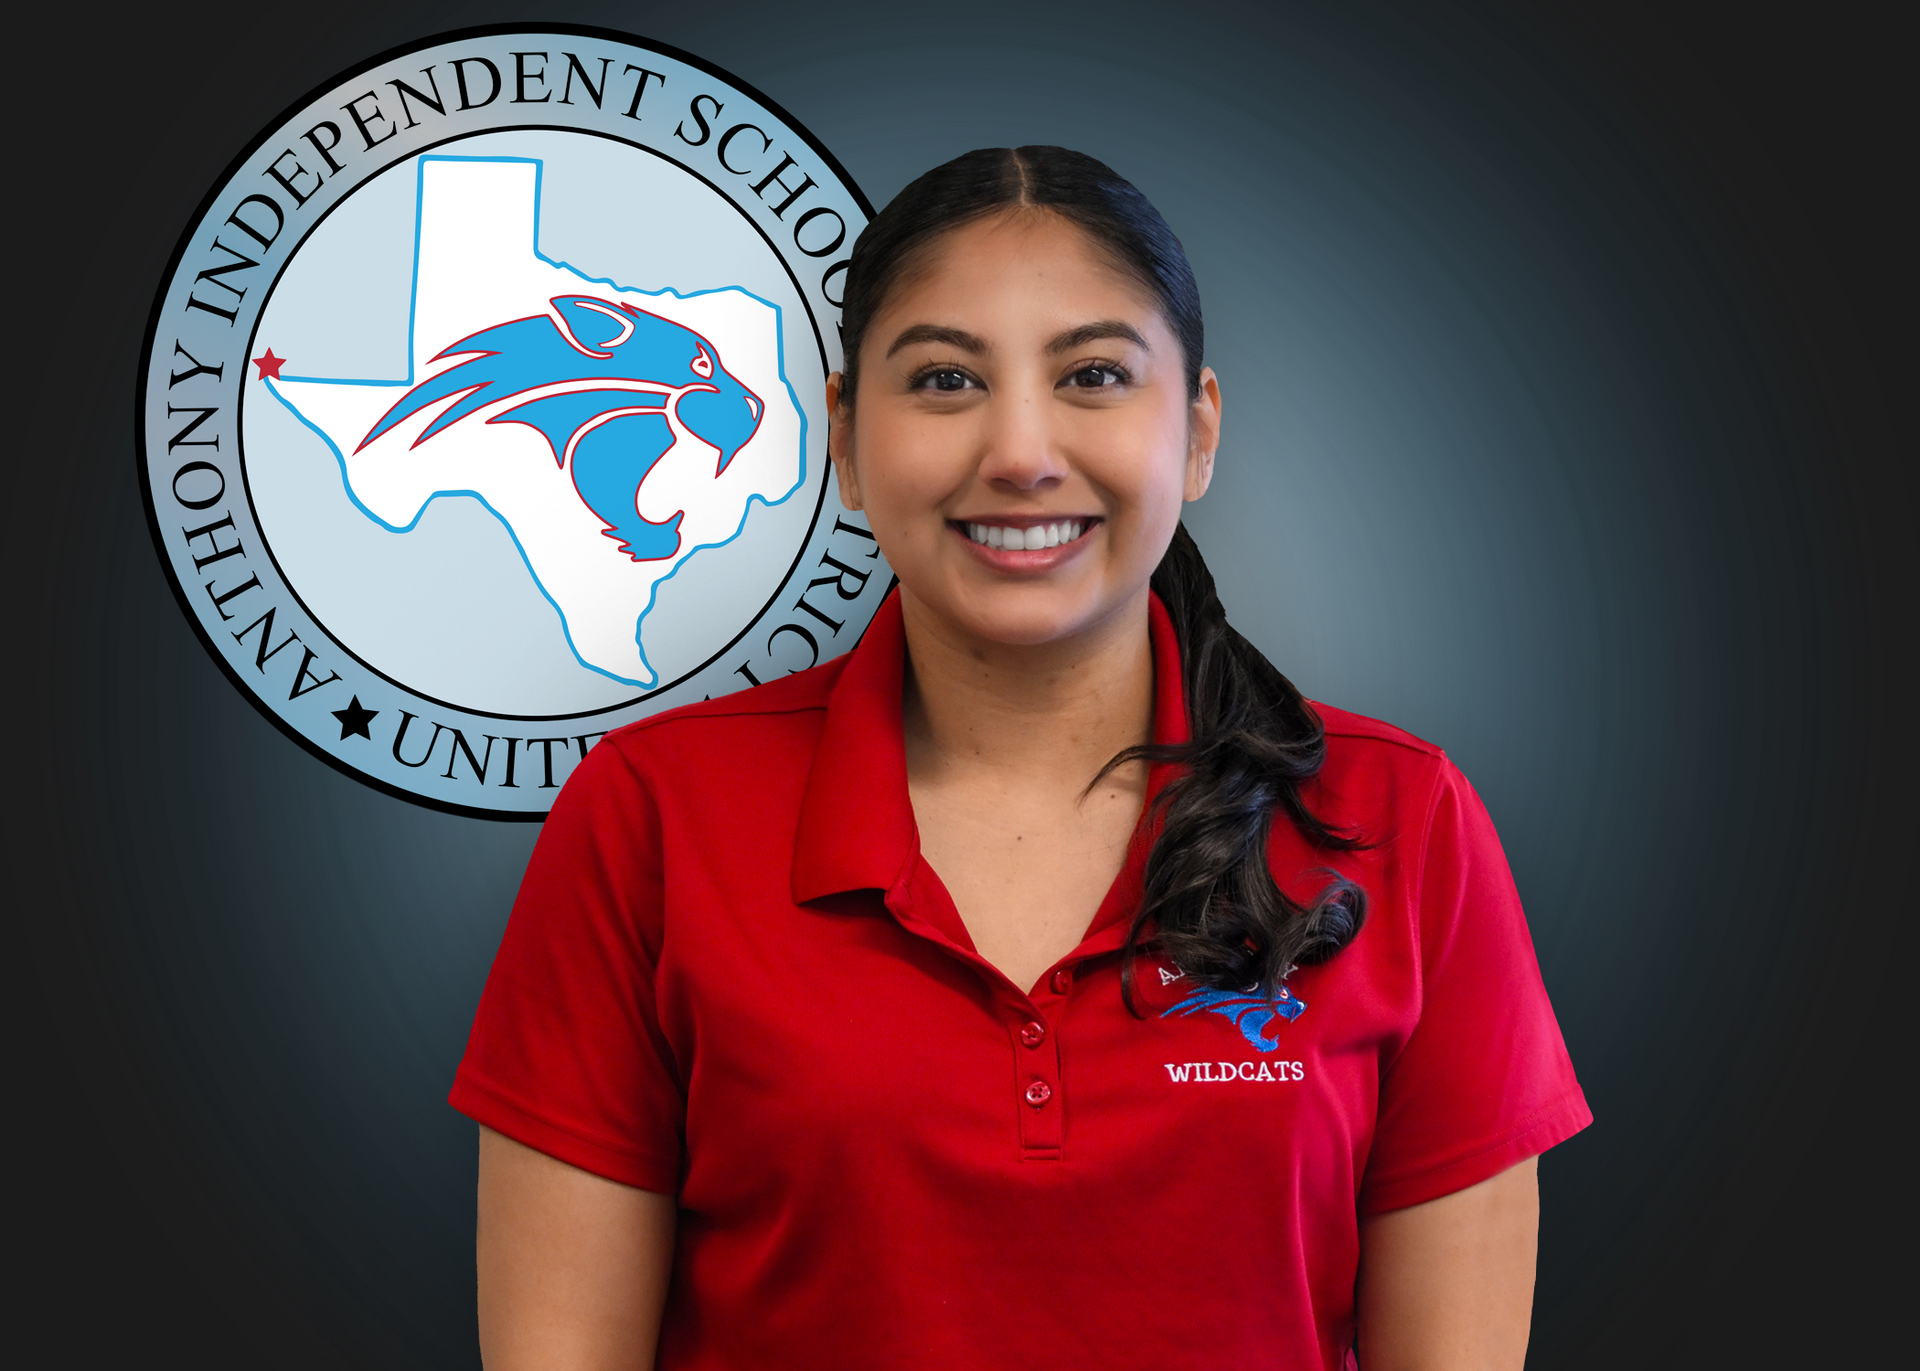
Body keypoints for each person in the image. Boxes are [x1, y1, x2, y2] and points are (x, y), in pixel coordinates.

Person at [450, 146, 1591, 1371]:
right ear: (843, 436)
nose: (1021, 452)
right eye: (945, 380)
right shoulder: (654, 815)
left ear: (1198, 430)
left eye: (1095, 374)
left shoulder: (1399, 820)